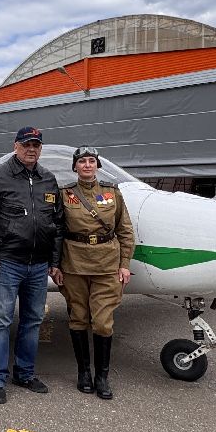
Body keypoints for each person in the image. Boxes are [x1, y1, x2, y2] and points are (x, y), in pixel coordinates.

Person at [0, 126, 61, 404]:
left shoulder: (48, 179)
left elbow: (57, 224)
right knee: (0, 321)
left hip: (38, 266)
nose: (31, 149)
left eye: (36, 144)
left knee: (33, 321)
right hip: (7, 263)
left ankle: (24, 373)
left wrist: (54, 262)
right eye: (26, 144)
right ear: (15, 146)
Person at [51, 147, 135, 400]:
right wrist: (55, 265)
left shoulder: (112, 192)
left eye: (91, 161)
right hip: (74, 264)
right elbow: (55, 231)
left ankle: (102, 376)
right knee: (78, 318)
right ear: (75, 167)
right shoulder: (64, 194)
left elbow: (125, 230)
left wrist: (124, 264)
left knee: (101, 322)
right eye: (82, 161)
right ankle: (83, 373)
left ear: (97, 165)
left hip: (107, 265)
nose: (87, 165)